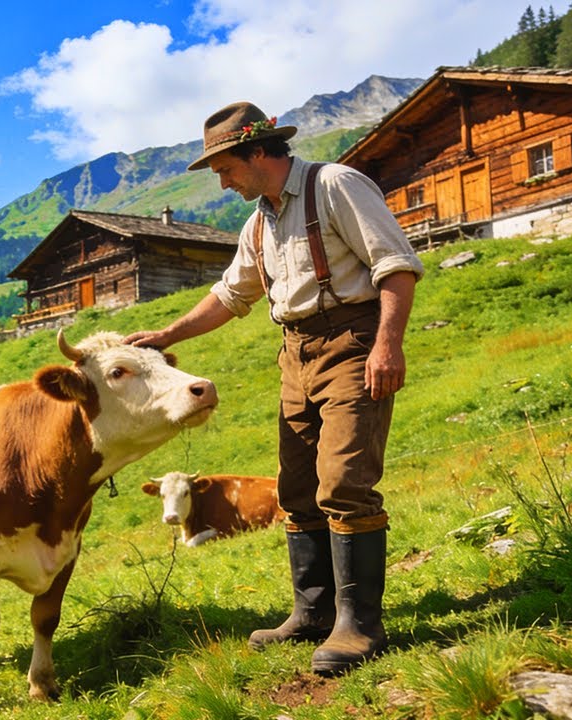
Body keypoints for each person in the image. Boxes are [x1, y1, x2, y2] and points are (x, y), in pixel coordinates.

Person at [124, 101, 424, 676]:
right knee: (297, 486)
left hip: (352, 343)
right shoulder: (258, 223)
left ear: (258, 152)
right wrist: (167, 334)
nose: (223, 182)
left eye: (225, 169)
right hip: (294, 354)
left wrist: (388, 345)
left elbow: (395, 266)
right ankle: (312, 612)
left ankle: (359, 625)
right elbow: (230, 295)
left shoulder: (334, 185)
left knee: (344, 482)